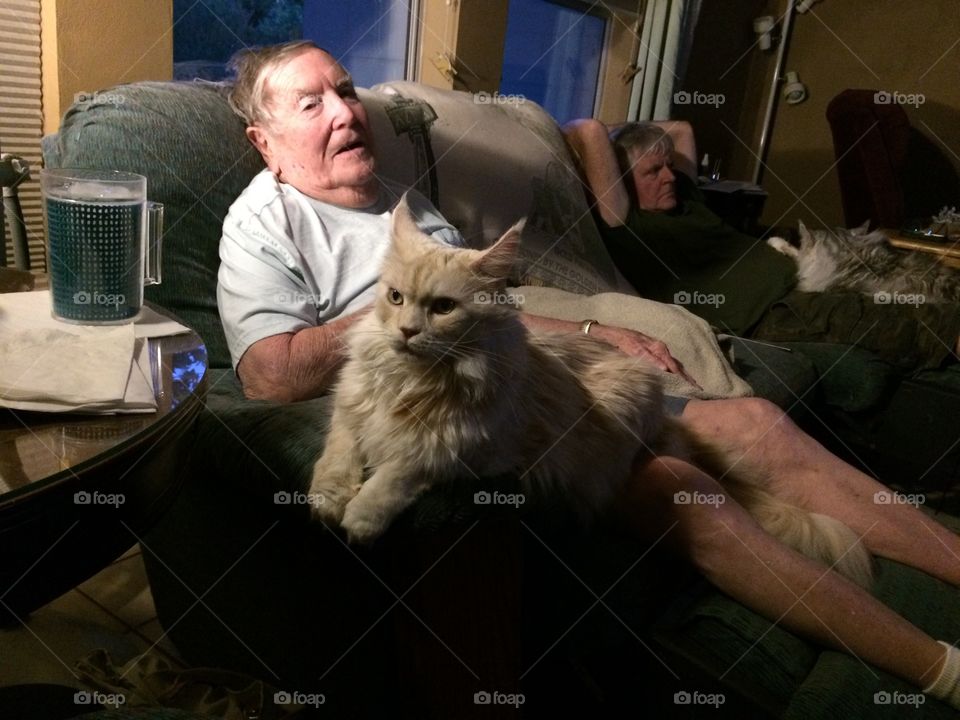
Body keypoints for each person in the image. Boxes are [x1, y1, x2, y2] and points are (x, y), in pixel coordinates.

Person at [217, 40, 960, 710]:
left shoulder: (397, 200)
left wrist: (595, 329)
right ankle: (938, 668)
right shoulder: (265, 223)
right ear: (266, 142)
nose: (346, 112)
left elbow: (499, 306)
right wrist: (401, 307)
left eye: (345, 91)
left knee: (755, 424)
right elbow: (270, 377)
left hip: (535, 362)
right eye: (312, 103)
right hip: (464, 397)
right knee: (674, 483)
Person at [563, 118, 960, 371]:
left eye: (668, 164)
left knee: (926, 281)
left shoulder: (684, 199)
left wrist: (640, 140)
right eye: (653, 170)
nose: (669, 175)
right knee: (914, 325)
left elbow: (683, 127)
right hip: (778, 310)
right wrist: (614, 139)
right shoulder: (626, 224)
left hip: (803, 271)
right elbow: (589, 131)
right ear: (622, 180)